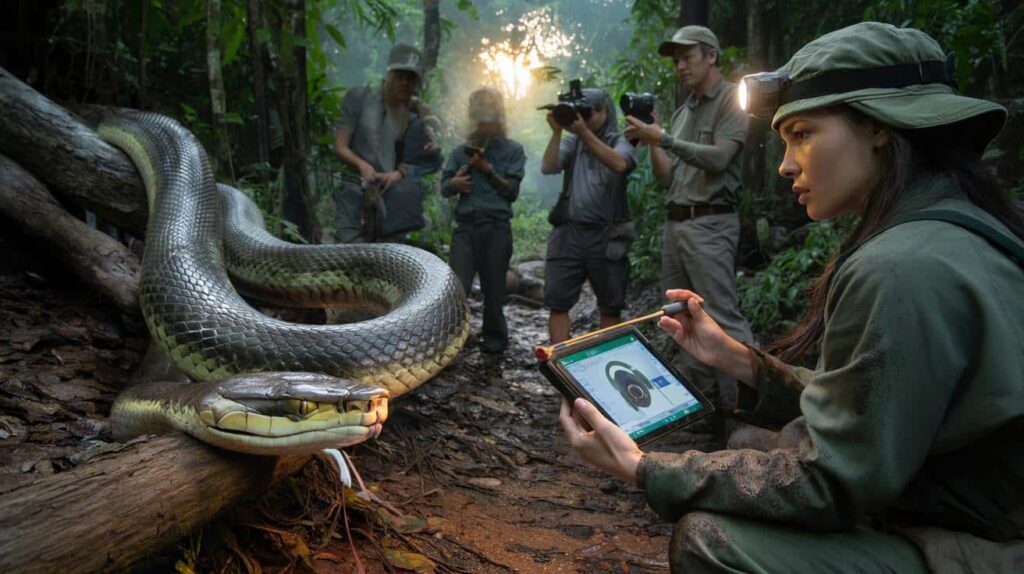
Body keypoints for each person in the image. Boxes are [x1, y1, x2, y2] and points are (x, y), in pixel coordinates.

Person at [560, 22, 1023, 573]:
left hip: (984, 547)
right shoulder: (961, 228)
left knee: (711, 539)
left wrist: (644, 467)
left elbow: (833, 481)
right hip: (965, 507)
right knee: (757, 440)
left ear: (878, 127)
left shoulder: (899, 266)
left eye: (802, 133)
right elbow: (874, 402)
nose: (785, 164)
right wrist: (736, 360)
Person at [624, 25, 754, 425]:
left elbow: (719, 158)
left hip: (711, 223)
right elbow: (665, 176)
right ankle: (706, 409)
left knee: (721, 316)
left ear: (711, 56)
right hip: (677, 224)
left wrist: (664, 138)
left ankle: (748, 409)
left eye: (688, 57)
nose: (680, 66)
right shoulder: (683, 112)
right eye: (675, 60)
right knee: (680, 315)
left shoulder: (733, 99)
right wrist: (652, 141)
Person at [541, 87, 637, 344]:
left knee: (610, 305)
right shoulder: (573, 141)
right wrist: (557, 131)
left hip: (607, 235)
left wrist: (583, 132)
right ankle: (558, 365)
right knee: (558, 301)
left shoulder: (621, 139)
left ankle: (607, 365)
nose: (582, 118)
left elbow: (620, 164)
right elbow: (548, 167)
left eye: (588, 112)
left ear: (604, 111)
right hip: (569, 232)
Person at [441, 87, 526, 354]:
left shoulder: (512, 150)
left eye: (491, 121)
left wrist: (487, 170)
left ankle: (494, 343)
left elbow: (511, 191)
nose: (487, 126)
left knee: (494, 289)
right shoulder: (460, 152)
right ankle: (449, 342)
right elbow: (444, 187)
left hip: (497, 229)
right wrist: (455, 182)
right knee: (457, 287)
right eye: (482, 122)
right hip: (466, 229)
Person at [332, 43, 442, 243]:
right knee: (347, 254)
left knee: (388, 260)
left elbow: (428, 162)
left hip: (392, 200)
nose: (405, 83)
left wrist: (399, 173)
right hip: (355, 189)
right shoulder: (359, 99)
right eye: (400, 76)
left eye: (411, 78)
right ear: (389, 74)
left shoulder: (416, 116)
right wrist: (361, 164)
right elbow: (340, 146)